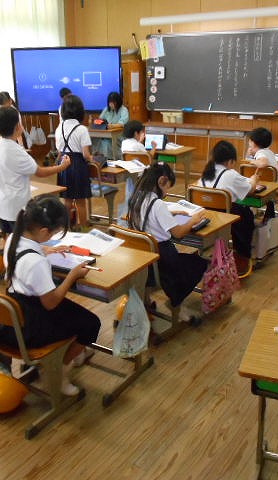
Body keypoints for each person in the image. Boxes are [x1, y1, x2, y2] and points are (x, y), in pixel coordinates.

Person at [0, 197, 101, 396]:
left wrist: (45, 249)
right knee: (91, 323)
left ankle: (76, 355)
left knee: (76, 316)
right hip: (33, 319)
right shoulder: (36, 263)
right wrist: (72, 276)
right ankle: (57, 373)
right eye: (54, 233)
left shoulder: (13, 238)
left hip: (17, 306)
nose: (54, 237)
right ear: (44, 231)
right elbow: (51, 303)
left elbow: (28, 252)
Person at [128, 163, 209, 319]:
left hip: (145, 258)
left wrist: (169, 211)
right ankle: (175, 300)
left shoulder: (137, 197)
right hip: (163, 259)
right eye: (167, 188)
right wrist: (193, 220)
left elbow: (151, 213)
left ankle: (147, 300)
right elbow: (178, 233)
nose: (166, 192)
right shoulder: (157, 204)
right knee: (199, 263)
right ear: (161, 181)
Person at [0, 106, 70, 234]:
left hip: (3, 204)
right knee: (21, 241)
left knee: (9, 240)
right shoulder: (16, 151)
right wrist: (62, 167)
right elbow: (40, 172)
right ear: (18, 126)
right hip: (17, 207)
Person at [199, 140, 260, 278]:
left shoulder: (206, 172)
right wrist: (254, 180)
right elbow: (250, 189)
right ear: (230, 161)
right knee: (246, 215)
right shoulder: (230, 174)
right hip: (224, 216)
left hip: (205, 215)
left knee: (238, 210)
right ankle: (242, 256)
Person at [55, 94, 92, 228]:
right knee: (81, 201)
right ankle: (83, 229)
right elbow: (86, 155)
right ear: (80, 111)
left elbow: (59, 149)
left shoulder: (59, 128)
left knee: (67, 199)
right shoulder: (82, 129)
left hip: (63, 164)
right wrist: (95, 160)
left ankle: (66, 229)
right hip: (77, 165)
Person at [95, 91, 129, 159]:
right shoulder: (107, 109)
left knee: (106, 142)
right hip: (107, 135)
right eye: (110, 102)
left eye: (113, 103)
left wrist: (112, 126)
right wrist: (97, 122)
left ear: (118, 102)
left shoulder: (123, 110)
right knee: (99, 140)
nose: (111, 104)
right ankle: (100, 159)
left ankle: (111, 159)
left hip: (119, 135)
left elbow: (122, 124)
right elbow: (99, 120)